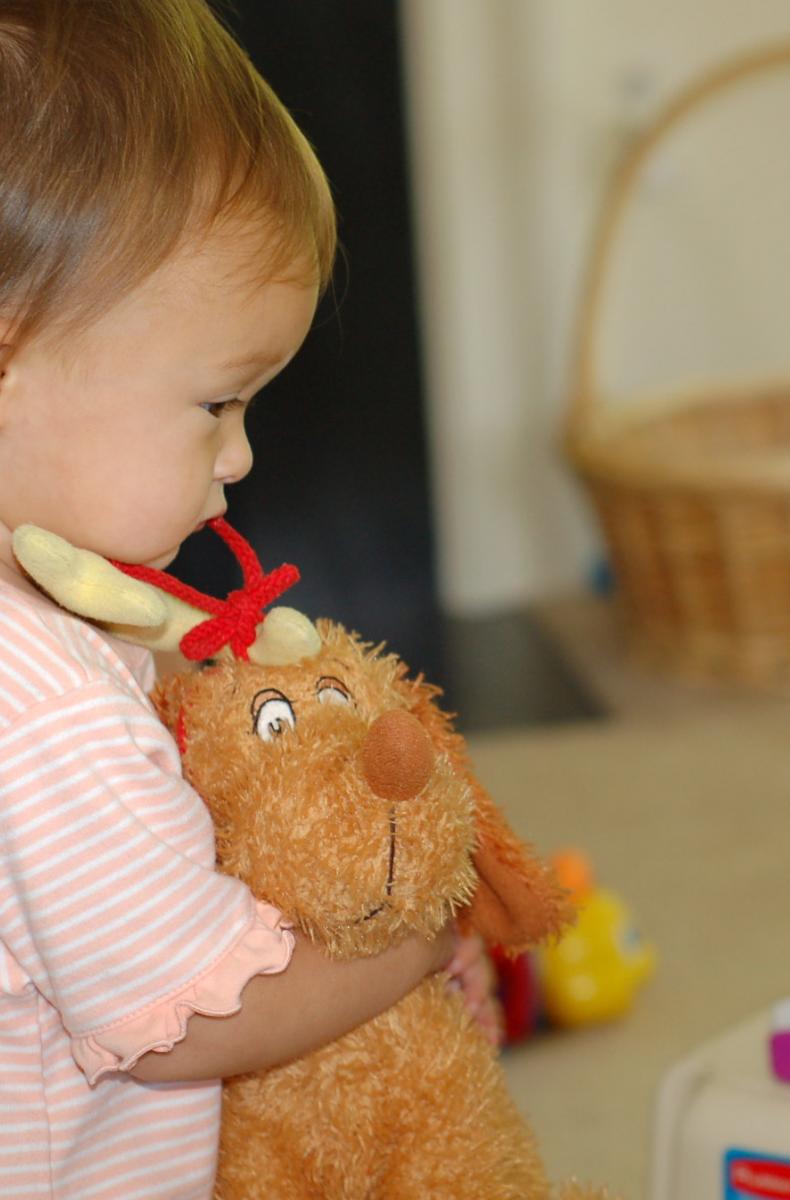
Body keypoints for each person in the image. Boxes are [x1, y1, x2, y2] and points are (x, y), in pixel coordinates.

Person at [0, 3, 488, 1195]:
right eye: (217, 403)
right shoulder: (49, 706)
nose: (240, 455)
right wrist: (418, 939)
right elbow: (194, 1018)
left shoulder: (53, 631)